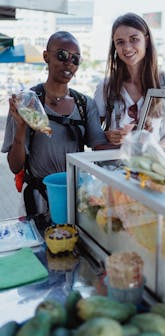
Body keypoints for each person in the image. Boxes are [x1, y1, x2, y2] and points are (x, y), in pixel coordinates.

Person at [1, 31, 110, 221]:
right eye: (62, 55)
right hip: (37, 200)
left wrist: (130, 140)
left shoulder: (85, 104)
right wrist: (20, 128)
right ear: (46, 56)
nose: (69, 63)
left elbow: (100, 150)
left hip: (75, 198)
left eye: (75, 59)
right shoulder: (27, 102)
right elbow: (14, 165)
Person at [94, 12, 165, 150]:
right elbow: (93, 134)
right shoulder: (106, 86)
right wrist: (108, 135)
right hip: (112, 168)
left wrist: (155, 151)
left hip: (148, 168)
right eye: (120, 42)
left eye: (134, 39)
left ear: (146, 40)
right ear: (115, 47)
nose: (127, 48)